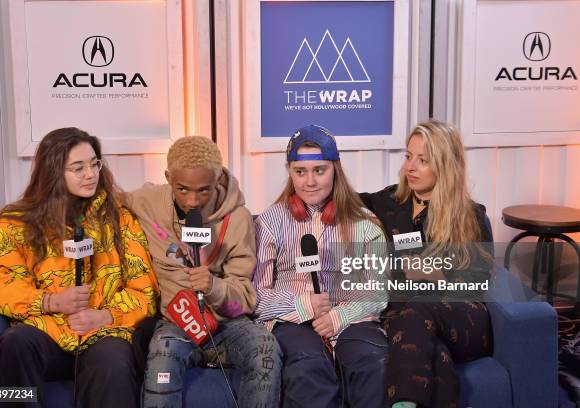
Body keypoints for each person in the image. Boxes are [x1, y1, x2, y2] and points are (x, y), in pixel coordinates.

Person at [0, 127, 159, 407]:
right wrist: (49, 301)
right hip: (47, 328)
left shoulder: (120, 219)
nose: (90, 174)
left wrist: (106, 316)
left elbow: (144, 289)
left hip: (102, 332)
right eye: (78, 167)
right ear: (54, 171)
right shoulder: (16, 222)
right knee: (16, 343)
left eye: (95, 164)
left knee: (114, 361)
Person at [124, 136, 282, 408]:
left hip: (228, 323)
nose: (193, 201)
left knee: (265, 349)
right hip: (177, 320)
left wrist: (213, 286)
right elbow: (104, 196)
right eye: (182, 189)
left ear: (218, 178)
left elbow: (244, 299)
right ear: (168, 178)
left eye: (204, 190)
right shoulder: (148, 201)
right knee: (162, 355)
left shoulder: (238, 218)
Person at [360, 120, 494, 408]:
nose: (411, 167)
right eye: (409, 156)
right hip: (411, 324)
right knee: (436, 357)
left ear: (445, 165)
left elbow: (481, 283)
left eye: (423, 160)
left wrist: (441, 276)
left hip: (464, 318)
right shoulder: (390, 202)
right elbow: (345, 200)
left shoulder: (471, 216)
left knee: (419, 308)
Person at [253, 125, 389, 408]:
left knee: (373, 363)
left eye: (320, 170)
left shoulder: (366, 224)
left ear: (335, 169)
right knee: (309, 368)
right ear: (290, 172)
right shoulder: (270, 222)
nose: (310, 181)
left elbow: (377, 293)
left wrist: (338, 317)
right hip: (293, 320)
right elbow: (256, 298)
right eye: (300, 172)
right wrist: (305, 305)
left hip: (352, 319)